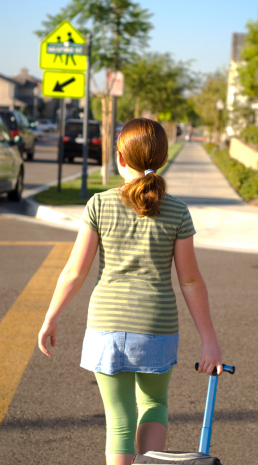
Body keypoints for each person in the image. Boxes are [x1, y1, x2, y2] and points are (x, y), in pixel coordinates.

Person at [38, 118, 222, 465]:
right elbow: (190, 281)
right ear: (164, 159)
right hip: (157, 326)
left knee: (119, 419)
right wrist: (209, 339)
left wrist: (51, 316)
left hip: (106, 324)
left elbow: (75, 271)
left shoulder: (99, 204)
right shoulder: (177, 211)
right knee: (154, 404)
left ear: (120, 158)